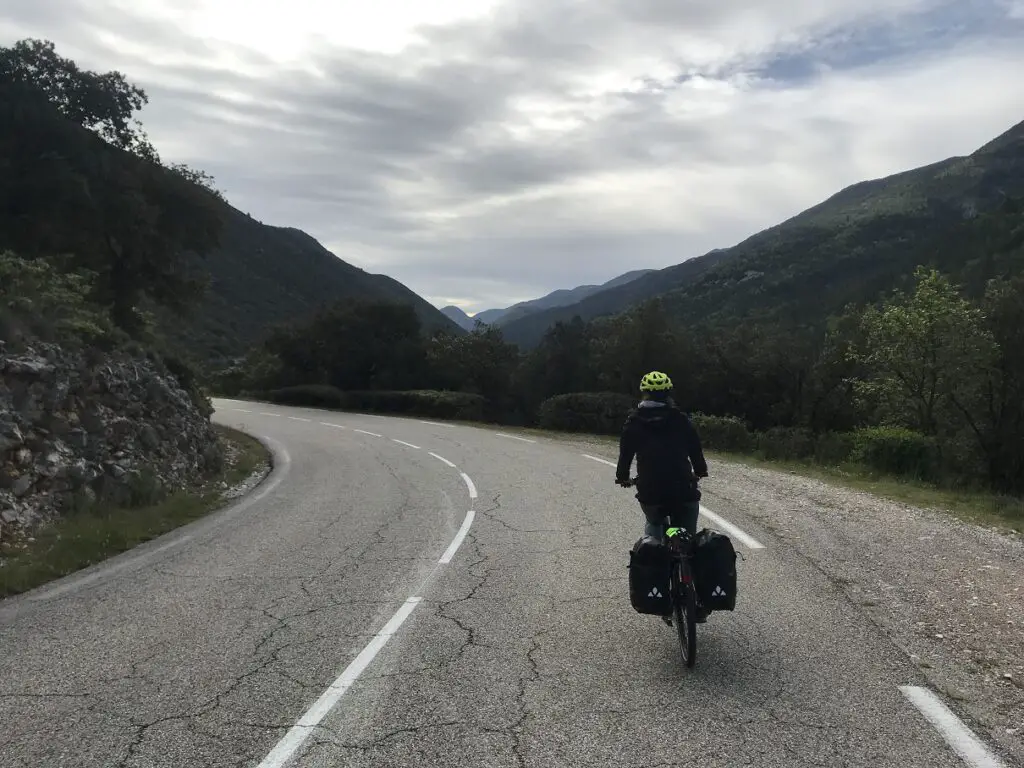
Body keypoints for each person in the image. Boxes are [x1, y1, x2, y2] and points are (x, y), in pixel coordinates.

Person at [615, 370, 708, 541]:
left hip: (651, 491)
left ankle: (655, 546)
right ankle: (686, 559)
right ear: (668, 394)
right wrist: (700, 471)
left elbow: (625, 456)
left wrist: (623, 477)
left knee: (654, 523)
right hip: (683, 489)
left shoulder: (634, 422)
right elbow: (695, 449)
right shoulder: (681, 420)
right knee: (687, 537)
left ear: (645, 394)